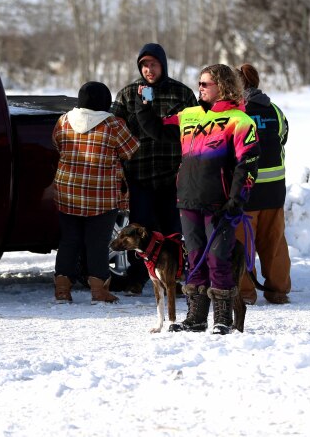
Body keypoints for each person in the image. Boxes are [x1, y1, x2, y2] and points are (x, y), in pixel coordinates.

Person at [136, 64, 259, 334]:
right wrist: (144, 105)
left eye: (205, 84)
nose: (199, 88)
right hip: (188, 199)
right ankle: (196, 317)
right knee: (194, 259)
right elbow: (156, 130)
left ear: (223, 87)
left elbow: (247, 165)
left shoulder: (240, 120)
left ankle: (222, 320)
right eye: (199, 83)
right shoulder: (188, 115)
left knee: (219, 259)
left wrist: (237, 199)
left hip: (220, 202)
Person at [111, 43, 197, 294]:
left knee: (173, 230)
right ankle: (138, 278)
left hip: (173, 173)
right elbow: (115, 126)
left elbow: (194, 129)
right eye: (144, 65)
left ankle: (177, 279)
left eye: (153, 64)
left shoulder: (181, 94)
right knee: (141, 229)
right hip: (139, 172)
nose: (149, 69)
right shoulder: (129, 93)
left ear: (163, 65)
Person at [52, 81, 140, 303]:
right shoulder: (113, 124)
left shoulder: (63, 121)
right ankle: (99, 291)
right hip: (101, 196)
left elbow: (57, 144)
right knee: (97, 243)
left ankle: (62, 290)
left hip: (67, 192)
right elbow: (131, 150)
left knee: (69, 241)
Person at [236, 63, 291, 304]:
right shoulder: (275, 110)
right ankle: (278, 291)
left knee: (242, 244)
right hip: (275, 189)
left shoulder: (235, 113)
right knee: (275, 243)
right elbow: (284, 138)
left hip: (246, 189)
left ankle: (245, 293)